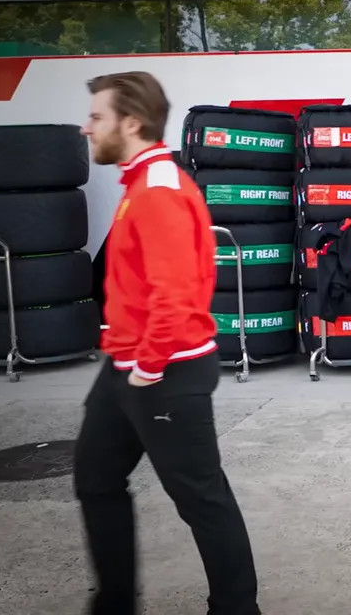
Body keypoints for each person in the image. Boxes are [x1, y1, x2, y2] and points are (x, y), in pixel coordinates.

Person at [73, 71, 261, 615]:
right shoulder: (140, 182)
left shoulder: (157, 191)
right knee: (95, 478)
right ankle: (114, 602)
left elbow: (175, 295)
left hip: (164, 371)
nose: (87, 129)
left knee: (201, 498)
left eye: (97, 117)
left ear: (131, 122)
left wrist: (148, 368)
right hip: (126, 366)